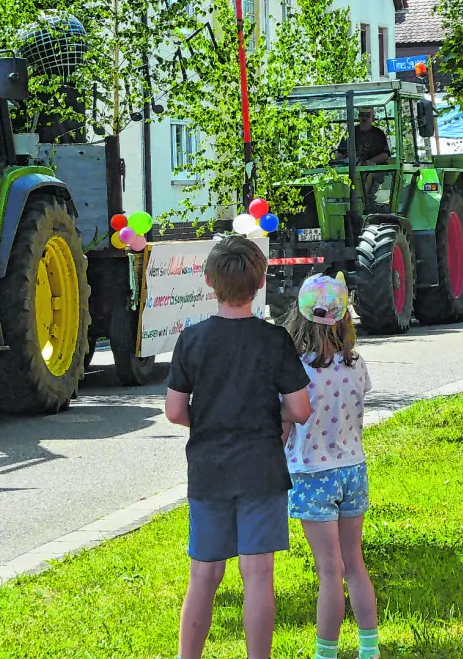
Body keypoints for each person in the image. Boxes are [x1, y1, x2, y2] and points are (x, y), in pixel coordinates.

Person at [166, 236, 313, 659]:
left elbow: (175, 411)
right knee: (258, 575)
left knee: (204, 574)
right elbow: (300, 409)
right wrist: (277, 419)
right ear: (260, 281)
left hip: (209, 471)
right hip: (261, 470)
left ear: (211, 281)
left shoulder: (191, 340)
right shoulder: (274, 340)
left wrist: (212, 418)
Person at [282, 275, 380, 659]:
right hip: (353, 470)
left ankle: (326, 653)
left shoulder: (296, 369)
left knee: (328, 570)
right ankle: (369, 649)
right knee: (354, 563)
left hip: (311, 473)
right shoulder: (356, 364)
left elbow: (286, 424)